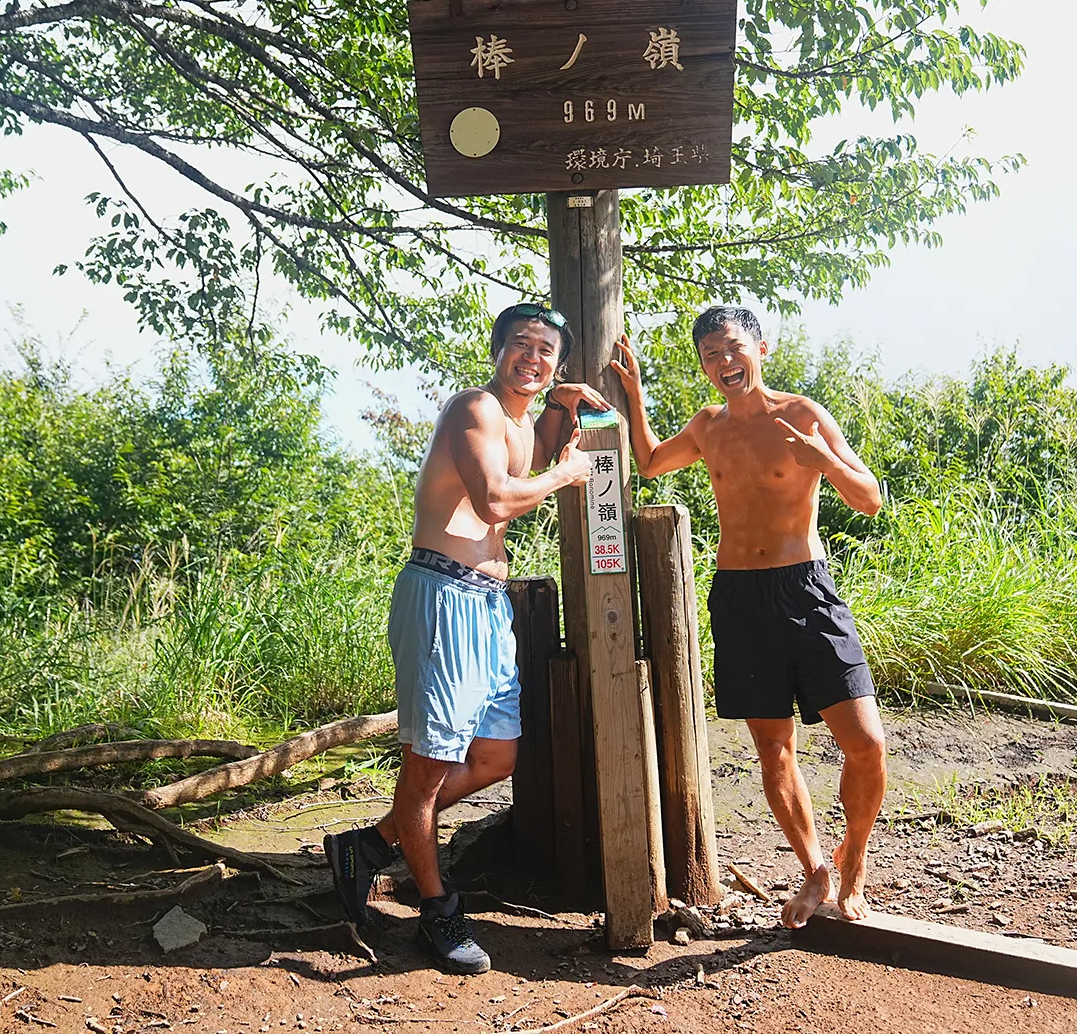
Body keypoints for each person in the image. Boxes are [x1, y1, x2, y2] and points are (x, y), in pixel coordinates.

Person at [328, 302, 603, 974]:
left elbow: (549, 447)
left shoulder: (517, 422)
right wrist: (568, 475)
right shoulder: (473, 409)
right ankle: (439, 912)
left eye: (545, 350)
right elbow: (497, 501)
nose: (531, 358)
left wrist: (572, 408)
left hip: (487, 605)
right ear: (497, 350)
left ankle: (367, 848)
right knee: (426, 768)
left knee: (495, 756)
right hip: (442, 593)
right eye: (520, 344)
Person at [609, 305, 886, 926]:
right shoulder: (708, 426)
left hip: (806, 589)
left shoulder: (804, 416)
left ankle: (855, 862)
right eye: (710, 354)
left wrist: (825, 461)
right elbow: (652, 462)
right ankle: (816, 867)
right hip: (739, 594)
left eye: (732, 348)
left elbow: (868, 499)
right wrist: (633, 394)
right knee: (772, 747)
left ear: (761, 348)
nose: (723, 362)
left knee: (866, 744)